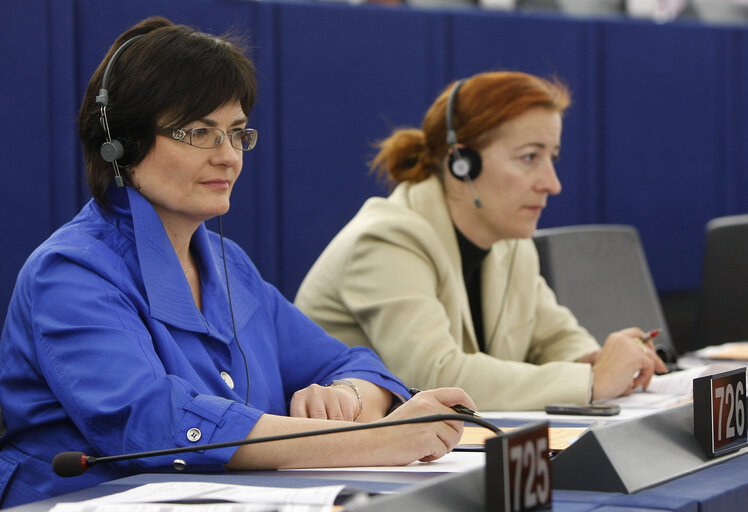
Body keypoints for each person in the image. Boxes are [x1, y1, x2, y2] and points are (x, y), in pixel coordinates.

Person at [0, 17, 475, 507]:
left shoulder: (229, 265)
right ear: (121, 144)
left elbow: (354, 362)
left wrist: (349, 397)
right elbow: (157, 425)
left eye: (237, 134)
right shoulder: (71, 273)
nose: (229, 157)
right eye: (201, 132)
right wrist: (379, 441)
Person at [295, 71, 668, 411]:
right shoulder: (386, 240)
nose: (552, 184)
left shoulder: (509, 241)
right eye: (529, 157)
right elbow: (435, 376)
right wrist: (593, 380)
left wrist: (600, 360)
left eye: (551, 157)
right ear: (462, 164)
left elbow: (552, 336)